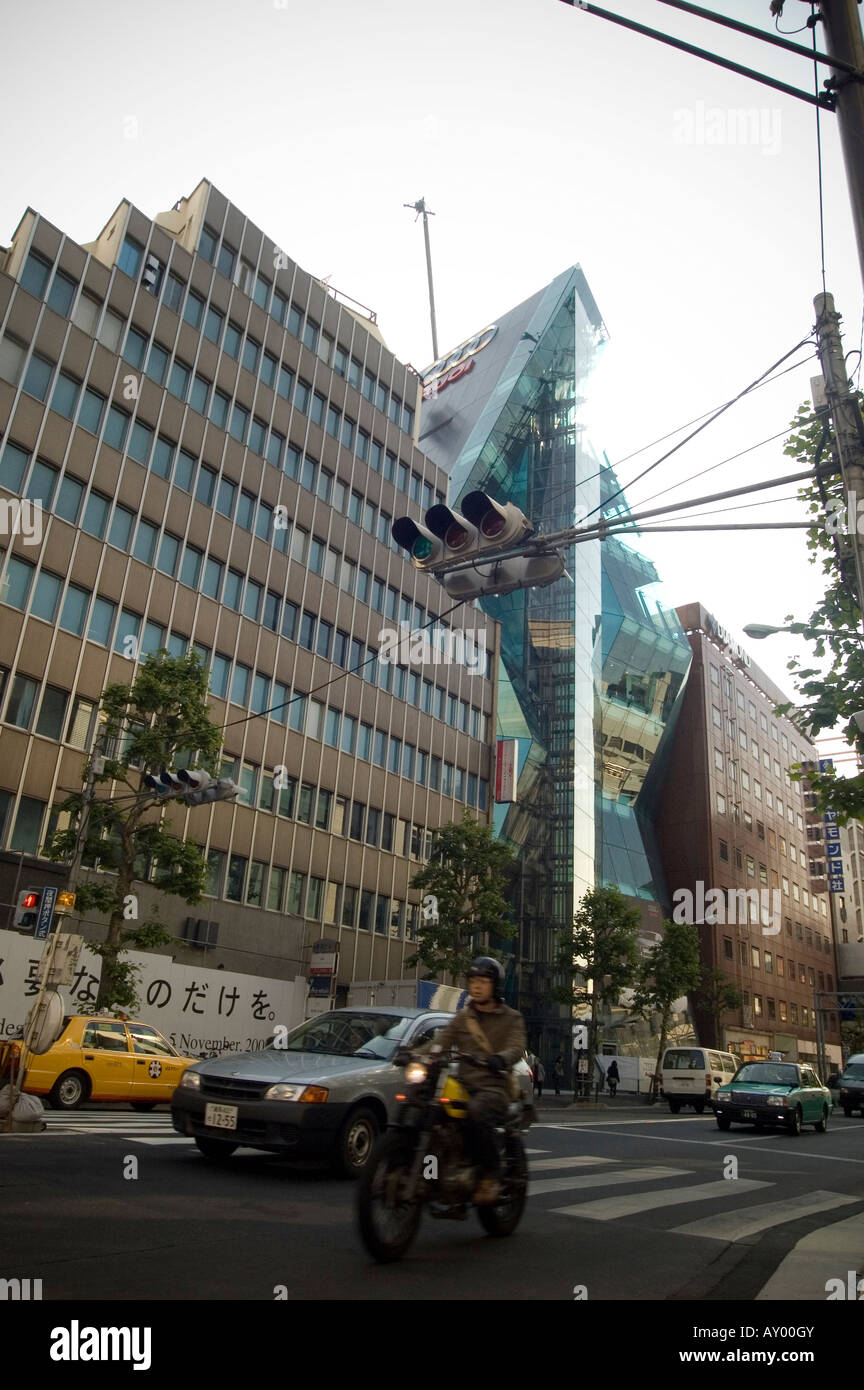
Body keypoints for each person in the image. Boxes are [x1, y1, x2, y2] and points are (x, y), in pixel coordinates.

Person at [426, 957, 527, 1205]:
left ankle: (489, 1176)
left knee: (476, 1112)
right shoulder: (463, 1017)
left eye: (483, 981)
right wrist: (415, 1054)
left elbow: (516, 1047)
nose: (477, 986)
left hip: (494, 1088)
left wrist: (501, 1059)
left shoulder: (511, 1018)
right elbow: (440, 1042)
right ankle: (431, 1176)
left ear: (496, 985)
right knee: (431, 1115)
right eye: (473, 981)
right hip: (462, 1085)